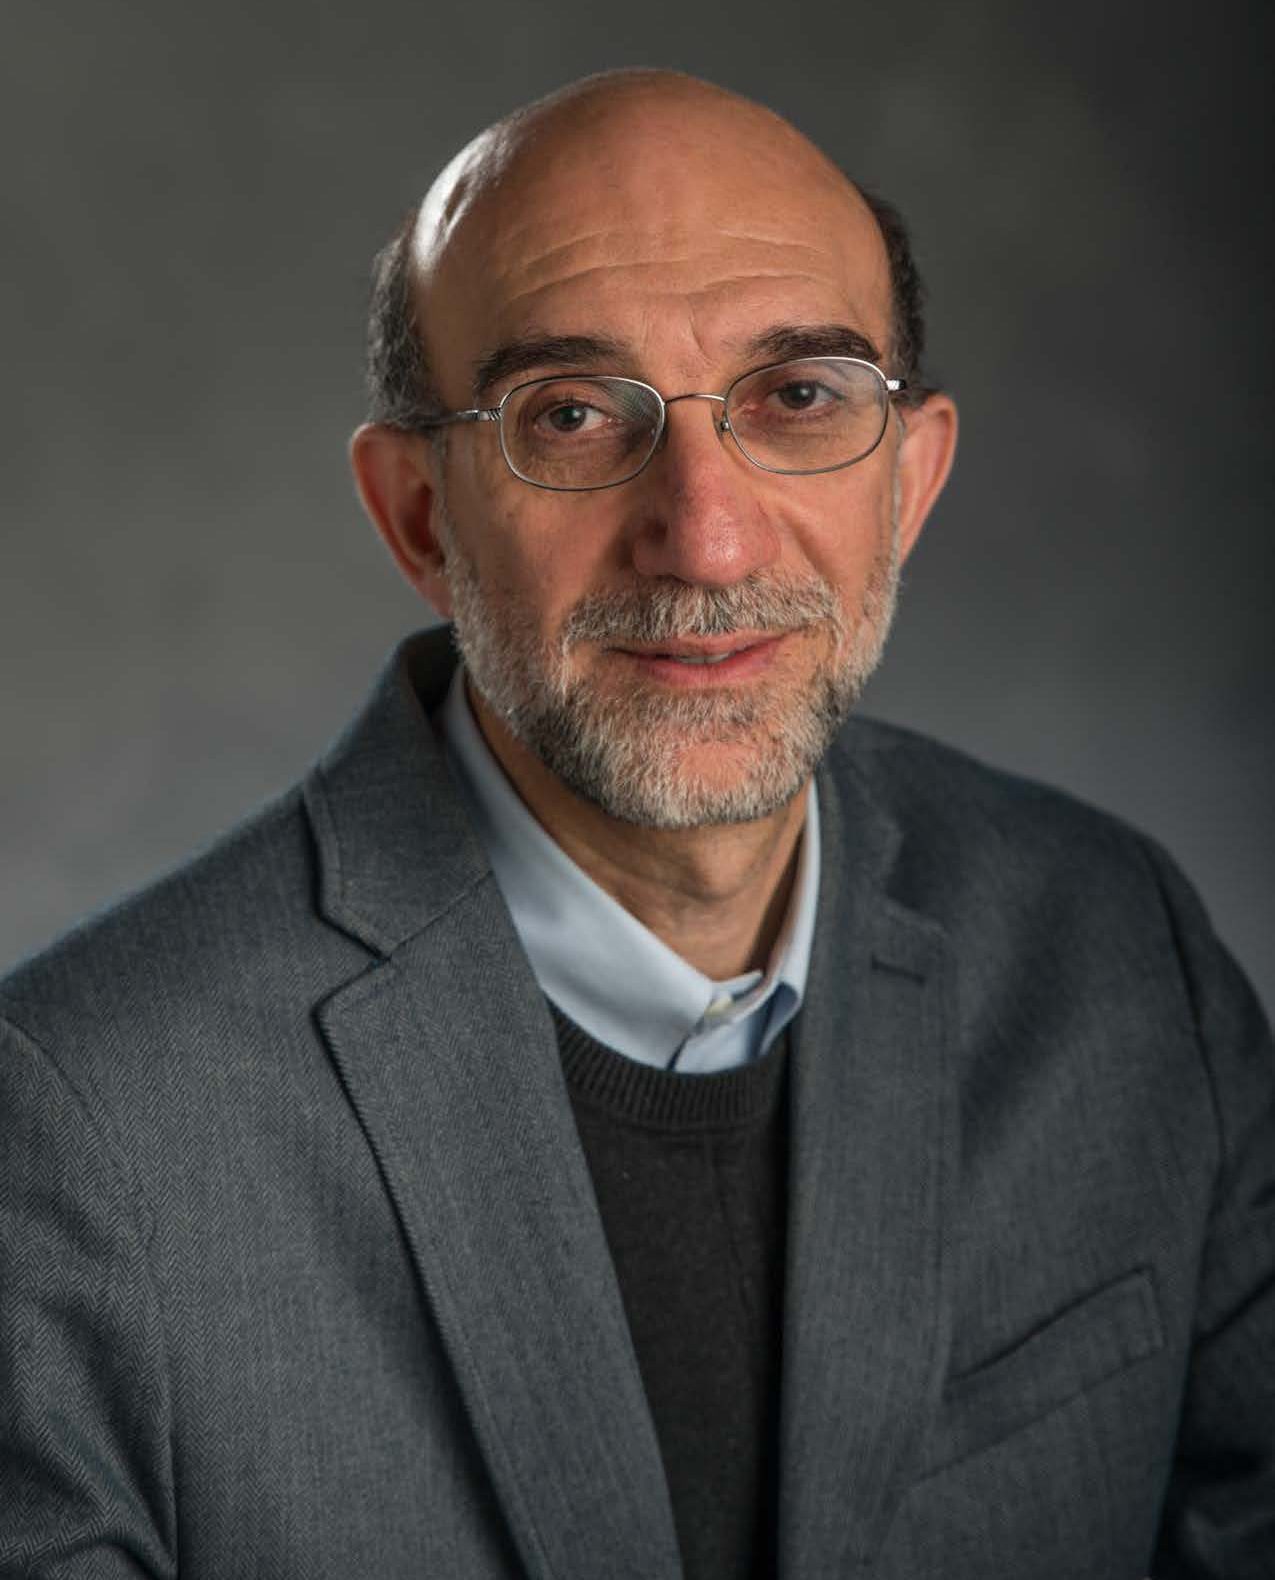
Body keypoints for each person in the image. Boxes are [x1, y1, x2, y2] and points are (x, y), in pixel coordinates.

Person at [0, 67, 1271, 1580]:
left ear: (911, 480)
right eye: (576, 414)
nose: (706, 534)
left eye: (800, 398)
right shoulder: (82, 1134)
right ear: (421, 516)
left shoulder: (1122, 960)